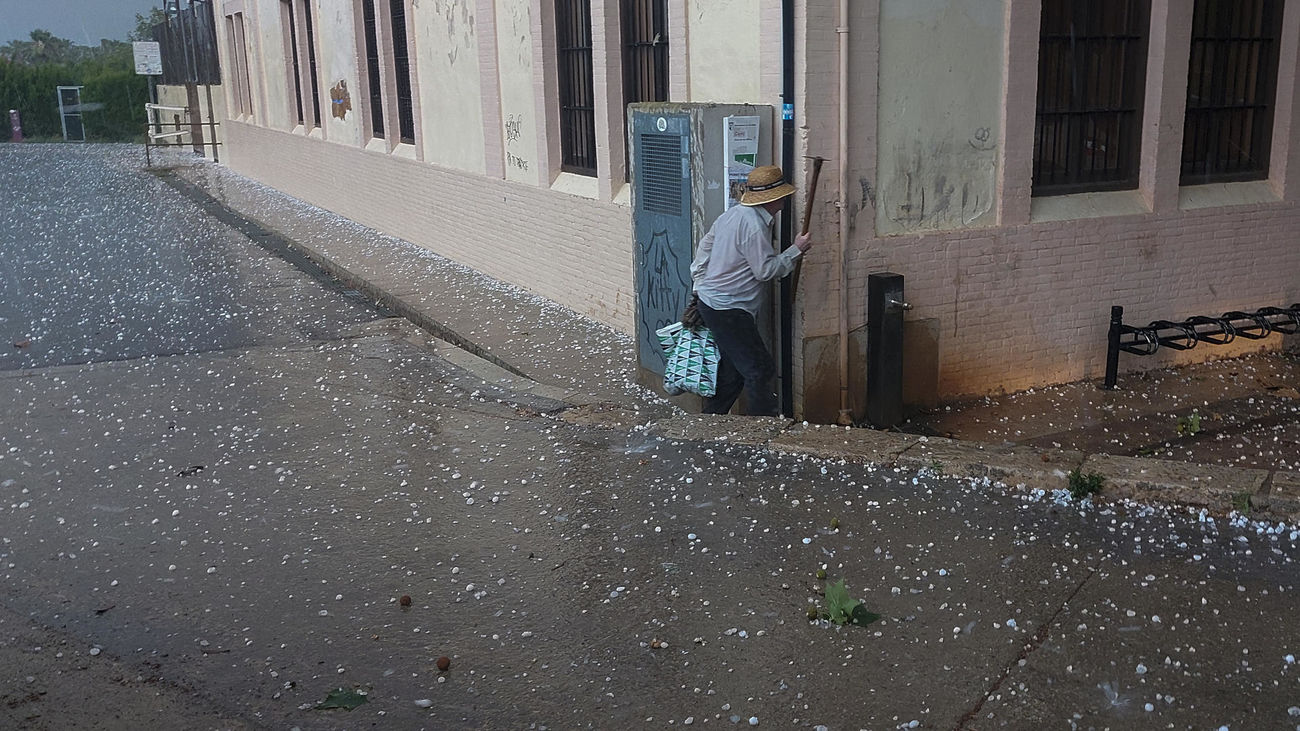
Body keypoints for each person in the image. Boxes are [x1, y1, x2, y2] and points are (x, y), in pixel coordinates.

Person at [689, 165, 813, 416]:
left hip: (715, 303)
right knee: (760, 369)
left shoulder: (731, 216)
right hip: (729, 309)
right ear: (776, 198)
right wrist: (796, 250)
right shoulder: (755, 226)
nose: (787, 200)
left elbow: (704, 251)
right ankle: (762, 431)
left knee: (734, 373)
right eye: (784, 195)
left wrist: (700, 287)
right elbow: (764, 271)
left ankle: (710, 420)